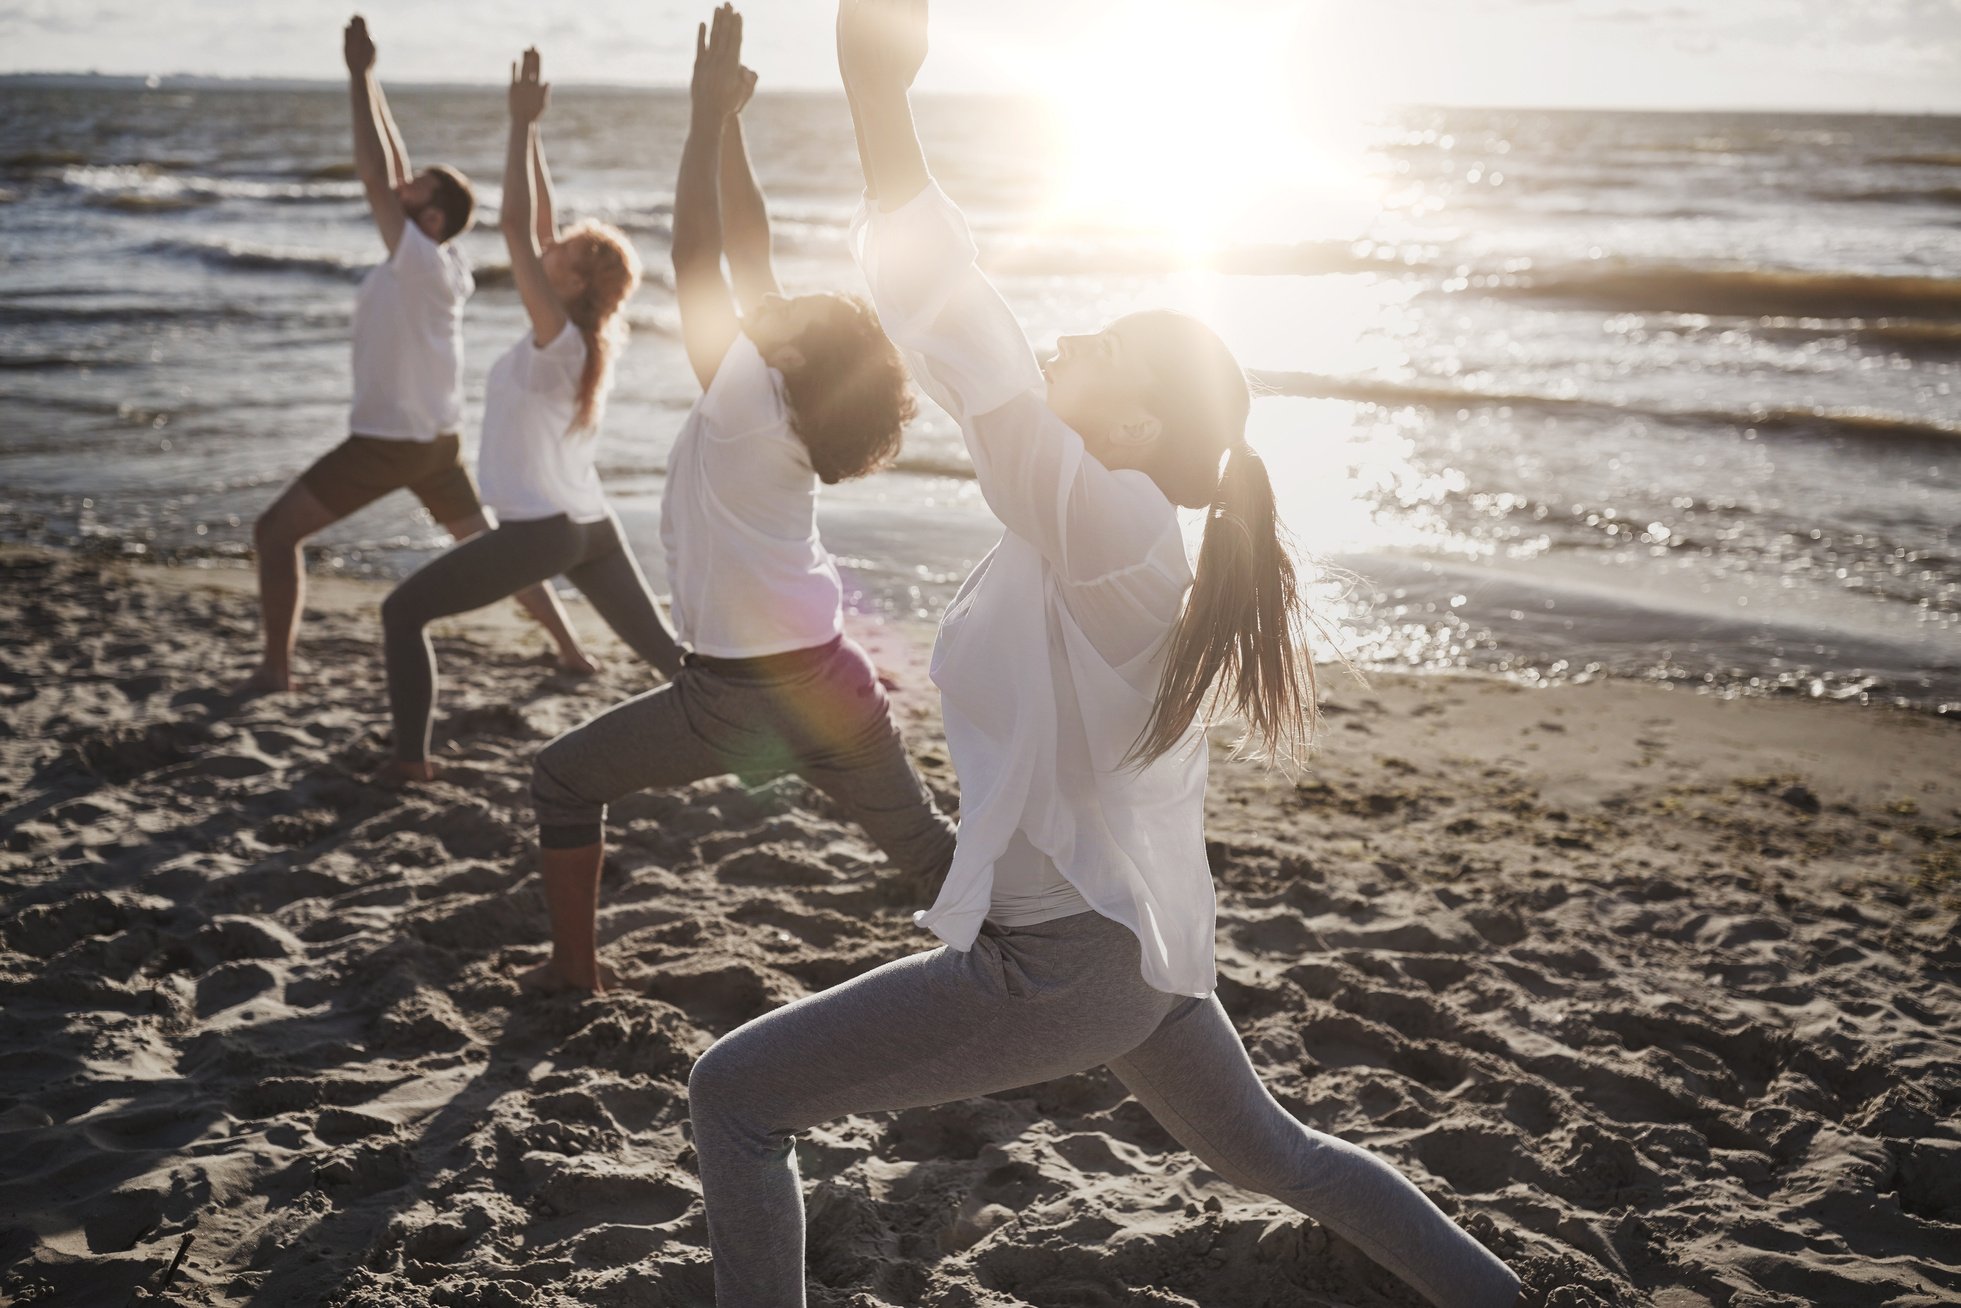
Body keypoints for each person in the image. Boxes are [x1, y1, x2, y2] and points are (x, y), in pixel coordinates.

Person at [680, 3, 1524, 1306]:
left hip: (1061, 962)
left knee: (733, 1096)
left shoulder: (1119, 526)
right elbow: (981, 373)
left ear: (1134, 417)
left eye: (1104, 348)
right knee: (1285, 1158)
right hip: (1125, 953)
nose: (1066, 344)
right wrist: (872, 101)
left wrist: (879, 99)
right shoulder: (1086, 526)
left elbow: (968, 329)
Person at [519, 5, 955, 993]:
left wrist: (700, 116)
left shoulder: (744, 399)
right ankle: (1049, 964)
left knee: (561, 778)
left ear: (793, 349)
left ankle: (572, 976)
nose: (776, 300)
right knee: (933, 856)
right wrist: (728, 124)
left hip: (733, 698)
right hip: (833, 682)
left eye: (792, 310)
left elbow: (698, 260)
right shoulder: (786, 398)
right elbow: (748, 252)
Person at [241, 15, 593, 695]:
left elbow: (376, 178)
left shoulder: (420, 263)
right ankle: (571, 648)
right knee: (492, 549)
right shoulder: (435, 259)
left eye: (416, 192)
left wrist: (356, 76)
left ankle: (275, 670)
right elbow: (394, 171)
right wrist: (372, 77)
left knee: (274, 532)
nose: (401, 189)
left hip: (389, 443)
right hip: (433, 442)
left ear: (429, 219)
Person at [376, 49, 681, 784]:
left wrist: (516, 126)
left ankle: (410, 764)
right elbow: (538, 224)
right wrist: (535, 131)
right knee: (673, 659)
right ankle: (783, 726)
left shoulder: (558, 340)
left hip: (544, 532)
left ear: (573, 280)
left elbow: (515, 226)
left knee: (401, 614)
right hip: (589, 525)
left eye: (565, 250)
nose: (551, 246)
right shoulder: (585, 334)